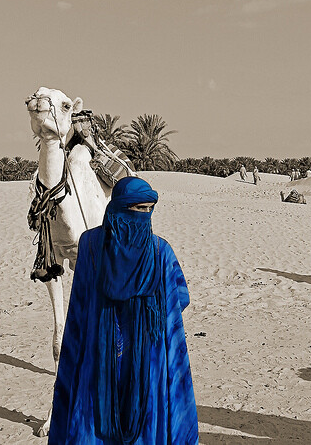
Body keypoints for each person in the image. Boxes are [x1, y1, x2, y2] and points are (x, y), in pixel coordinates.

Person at [48, 177, 199, 445]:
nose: (143, 216)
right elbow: (180, 298)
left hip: (114, 354)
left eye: (148, 210)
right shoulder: (159, 251)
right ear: (118, 207)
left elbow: (80, 305)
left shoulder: (91, 245)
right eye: (137, 209)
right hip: (119, 355)